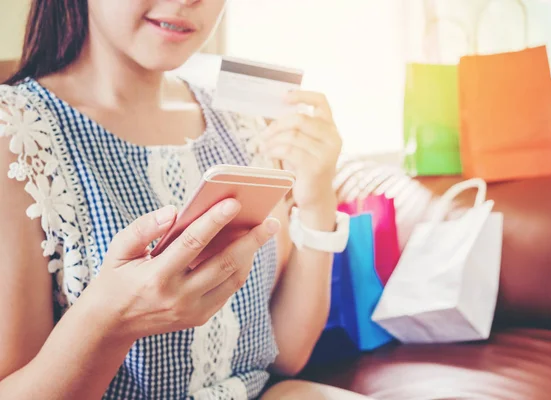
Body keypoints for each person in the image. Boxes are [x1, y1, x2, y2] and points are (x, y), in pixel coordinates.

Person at [0, 0, 371, 399]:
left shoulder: (240, 121)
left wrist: (317, 200)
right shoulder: (17, 136)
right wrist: (111, 320)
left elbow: (286, 353)